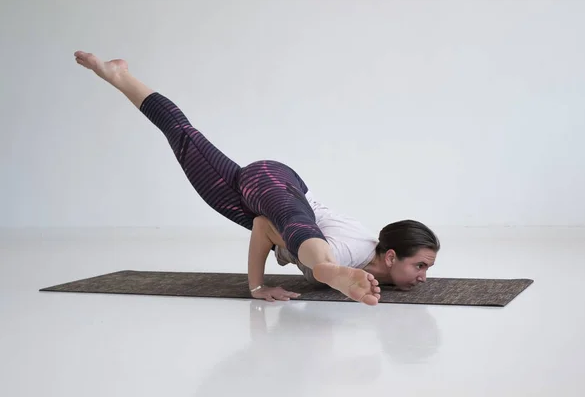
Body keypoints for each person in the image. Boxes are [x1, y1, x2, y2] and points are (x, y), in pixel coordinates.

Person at [73, 50, 441, 306]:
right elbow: (286, 220)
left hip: (253, 201)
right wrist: (327, 271)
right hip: (275, 182)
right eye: (420, 265)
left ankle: (118, 75)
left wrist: (257, 286)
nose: (423, 276)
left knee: (184, 136)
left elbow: (263, 225)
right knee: (301, 227)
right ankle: (326, 270)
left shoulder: (366, 262)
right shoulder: (356, 249)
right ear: (390, 256)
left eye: (427, 268)